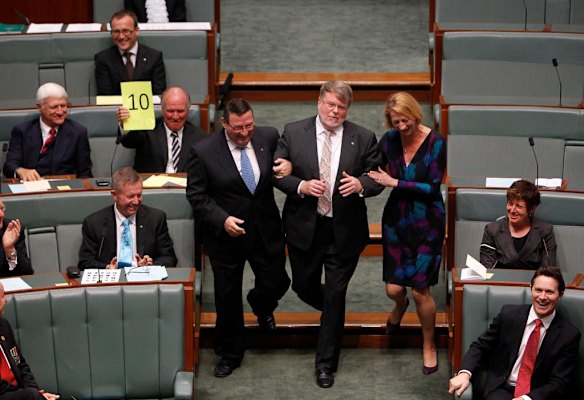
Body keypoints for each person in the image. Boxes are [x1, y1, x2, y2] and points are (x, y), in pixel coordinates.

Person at [273, 81, 383, 388]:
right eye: (330, 104)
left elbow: (376, 177)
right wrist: (300, 186)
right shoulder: (294, 132)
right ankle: (334, 315)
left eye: (342, 107)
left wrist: (362, 185)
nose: (335, 111)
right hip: (305, 227)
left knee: (334, 295)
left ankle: (325, 364)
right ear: (319, 101)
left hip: (344, 231)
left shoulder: (363, 137)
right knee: (304, 286)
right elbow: (277, 173)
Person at [186, 98, 291, 378]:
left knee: (277, 280)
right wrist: (222, 219)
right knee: (227, 297)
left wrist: (288, 167)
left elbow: (283, 165)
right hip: (226, 236)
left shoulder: (267, 136)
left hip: (265, 228)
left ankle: (260, 304)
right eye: (237, 129)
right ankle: (230, 353)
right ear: (224, 123)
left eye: (249, 126)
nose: (244, 133)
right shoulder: (204, 151)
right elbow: (196, 196)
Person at [368, 91, 446, 375]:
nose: (400, 127)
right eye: (395, 122)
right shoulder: (389, 140)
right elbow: (371, 167)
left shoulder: (436, 142)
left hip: (428, 222)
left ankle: (428, 343)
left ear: (416, 115)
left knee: (420, 289)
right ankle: (398, 307)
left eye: (405, 121)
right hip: (396, 221)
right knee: (394, 289)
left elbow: (432, 188)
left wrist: (395, 182)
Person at [449, 267, 581, 399]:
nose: (542, 297)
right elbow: (480, 346)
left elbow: (559, 383)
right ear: (531, 289)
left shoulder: (568, 335)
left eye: (549, 292)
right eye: (538, 290)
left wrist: (526, 399)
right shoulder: (509, 315)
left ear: (560, 295)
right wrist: (464, 373)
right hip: (502, 390)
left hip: (537, 395)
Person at [78, 167, 177, 269]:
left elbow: (169, 258)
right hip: (111, 281)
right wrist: (107, 268)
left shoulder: (155, 219)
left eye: (139, 195)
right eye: (130, 196)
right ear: (114, 195)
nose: (136, 201)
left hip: (144, 281)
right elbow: (85, 263)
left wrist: (150, 266)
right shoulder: (94, 223)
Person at [3, 83, 92, 181]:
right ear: (39, 107)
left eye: (63, 106)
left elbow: (85, 173)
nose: (60, 112)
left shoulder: (78, 132)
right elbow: (9, 166)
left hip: (62, 189)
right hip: (29, 187)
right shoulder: (22, 131)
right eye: (54, 107)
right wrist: (20, 170)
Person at [117, 87, 206, 173]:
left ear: (188, 110)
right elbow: (128, 141)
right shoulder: (147, 130)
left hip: (185, 187)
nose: (175, 116)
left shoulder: (200, 137)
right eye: (170, 111)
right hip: (152, 186)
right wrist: (125, 123)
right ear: (162, 109)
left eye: (180, 111)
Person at [0, 282, 60, 400]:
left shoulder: (3, 325)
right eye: (2, 296)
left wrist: (36, 392)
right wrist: (29, 394)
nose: (6, 300)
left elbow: (19, 362)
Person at [480, 179, 556, 270]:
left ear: (531, 209)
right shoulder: (491, 230)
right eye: (510, 204)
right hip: (500, 282)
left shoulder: (545, 231)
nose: (512, 210)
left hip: (535, 282)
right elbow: (487, 268)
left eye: (519, 206)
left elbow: (548, 269)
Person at [95, 10, 166, 96]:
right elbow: (105, 97)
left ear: (136, 31)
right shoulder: (103, 59)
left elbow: (159, 95)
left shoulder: (154, 57)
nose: (121, 36)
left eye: (126, 31)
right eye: (116, 32)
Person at [0, 199, 33, 277]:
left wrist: (10, 250)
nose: (1, 214)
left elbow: (27, 273)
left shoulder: (12, 229)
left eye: (2, 208)